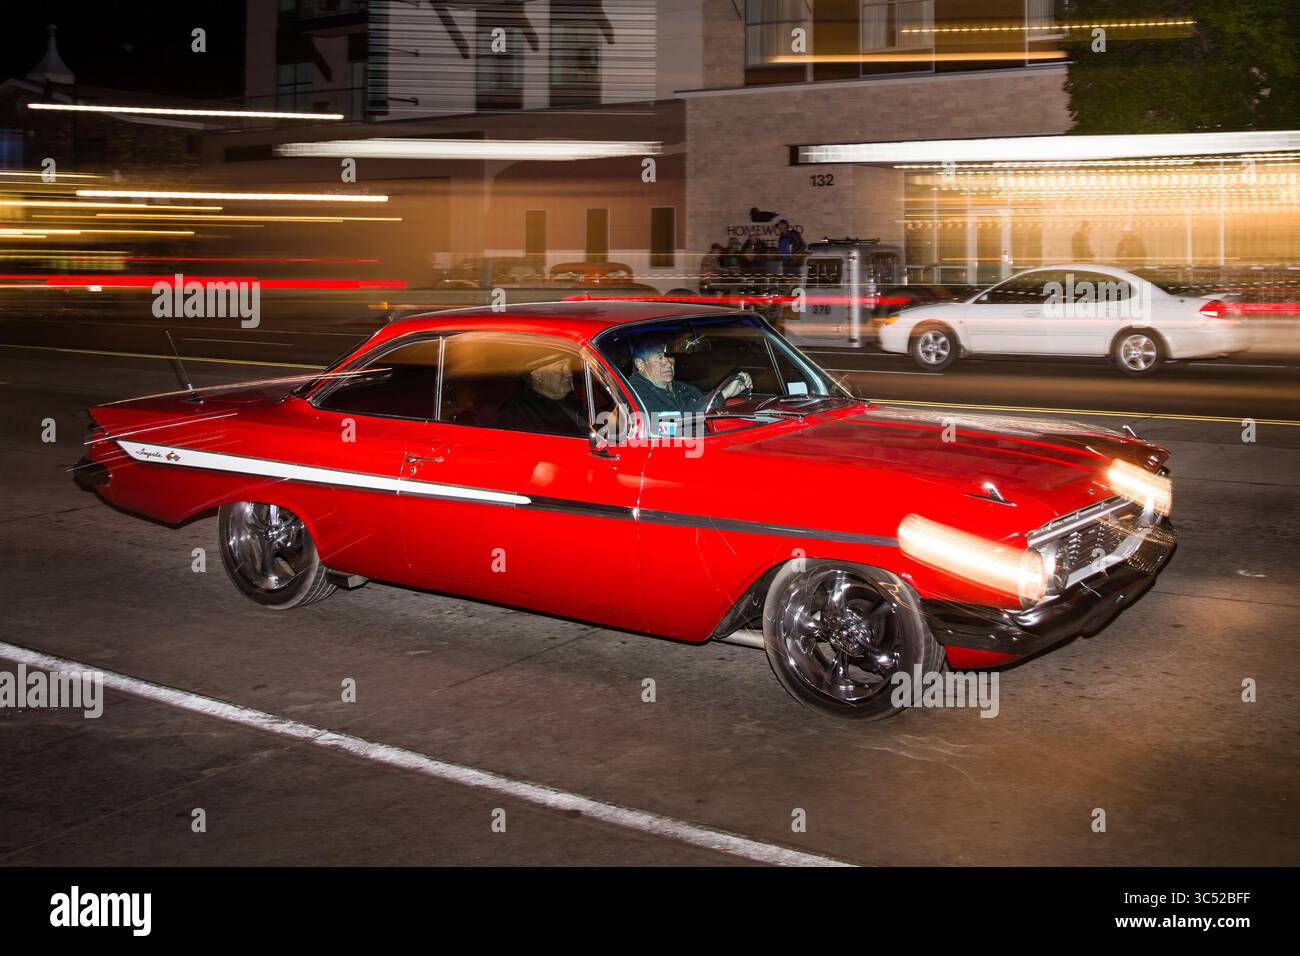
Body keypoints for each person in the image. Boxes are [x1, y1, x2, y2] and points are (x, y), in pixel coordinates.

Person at [626, 338, 752, 433]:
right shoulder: (633, 394)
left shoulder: (683, 389)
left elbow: (700, 409)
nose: (668, 363)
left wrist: (732, 389)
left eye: (670, 357)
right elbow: (673, 425)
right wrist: (723, 394)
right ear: (640, 364)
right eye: (659, 358)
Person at [493, 354, 587, 437]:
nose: (569, 373)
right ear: (537, 375)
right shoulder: (516, 416)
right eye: (560, 368)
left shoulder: (573, 400)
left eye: (570, 367)